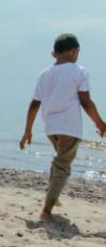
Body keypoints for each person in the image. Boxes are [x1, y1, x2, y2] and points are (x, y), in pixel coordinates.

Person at [20, 33, 106, 222]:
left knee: (59, 163)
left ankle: (54, 196)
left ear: (54, 54)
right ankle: (46, 210)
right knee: (62, 166)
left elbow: (34, 104)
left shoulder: (44, 74)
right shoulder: (79, 71)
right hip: (70, 126)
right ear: (75, 52)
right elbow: (85, 101)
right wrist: (99, 122)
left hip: (51, 128)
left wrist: (28, 130)